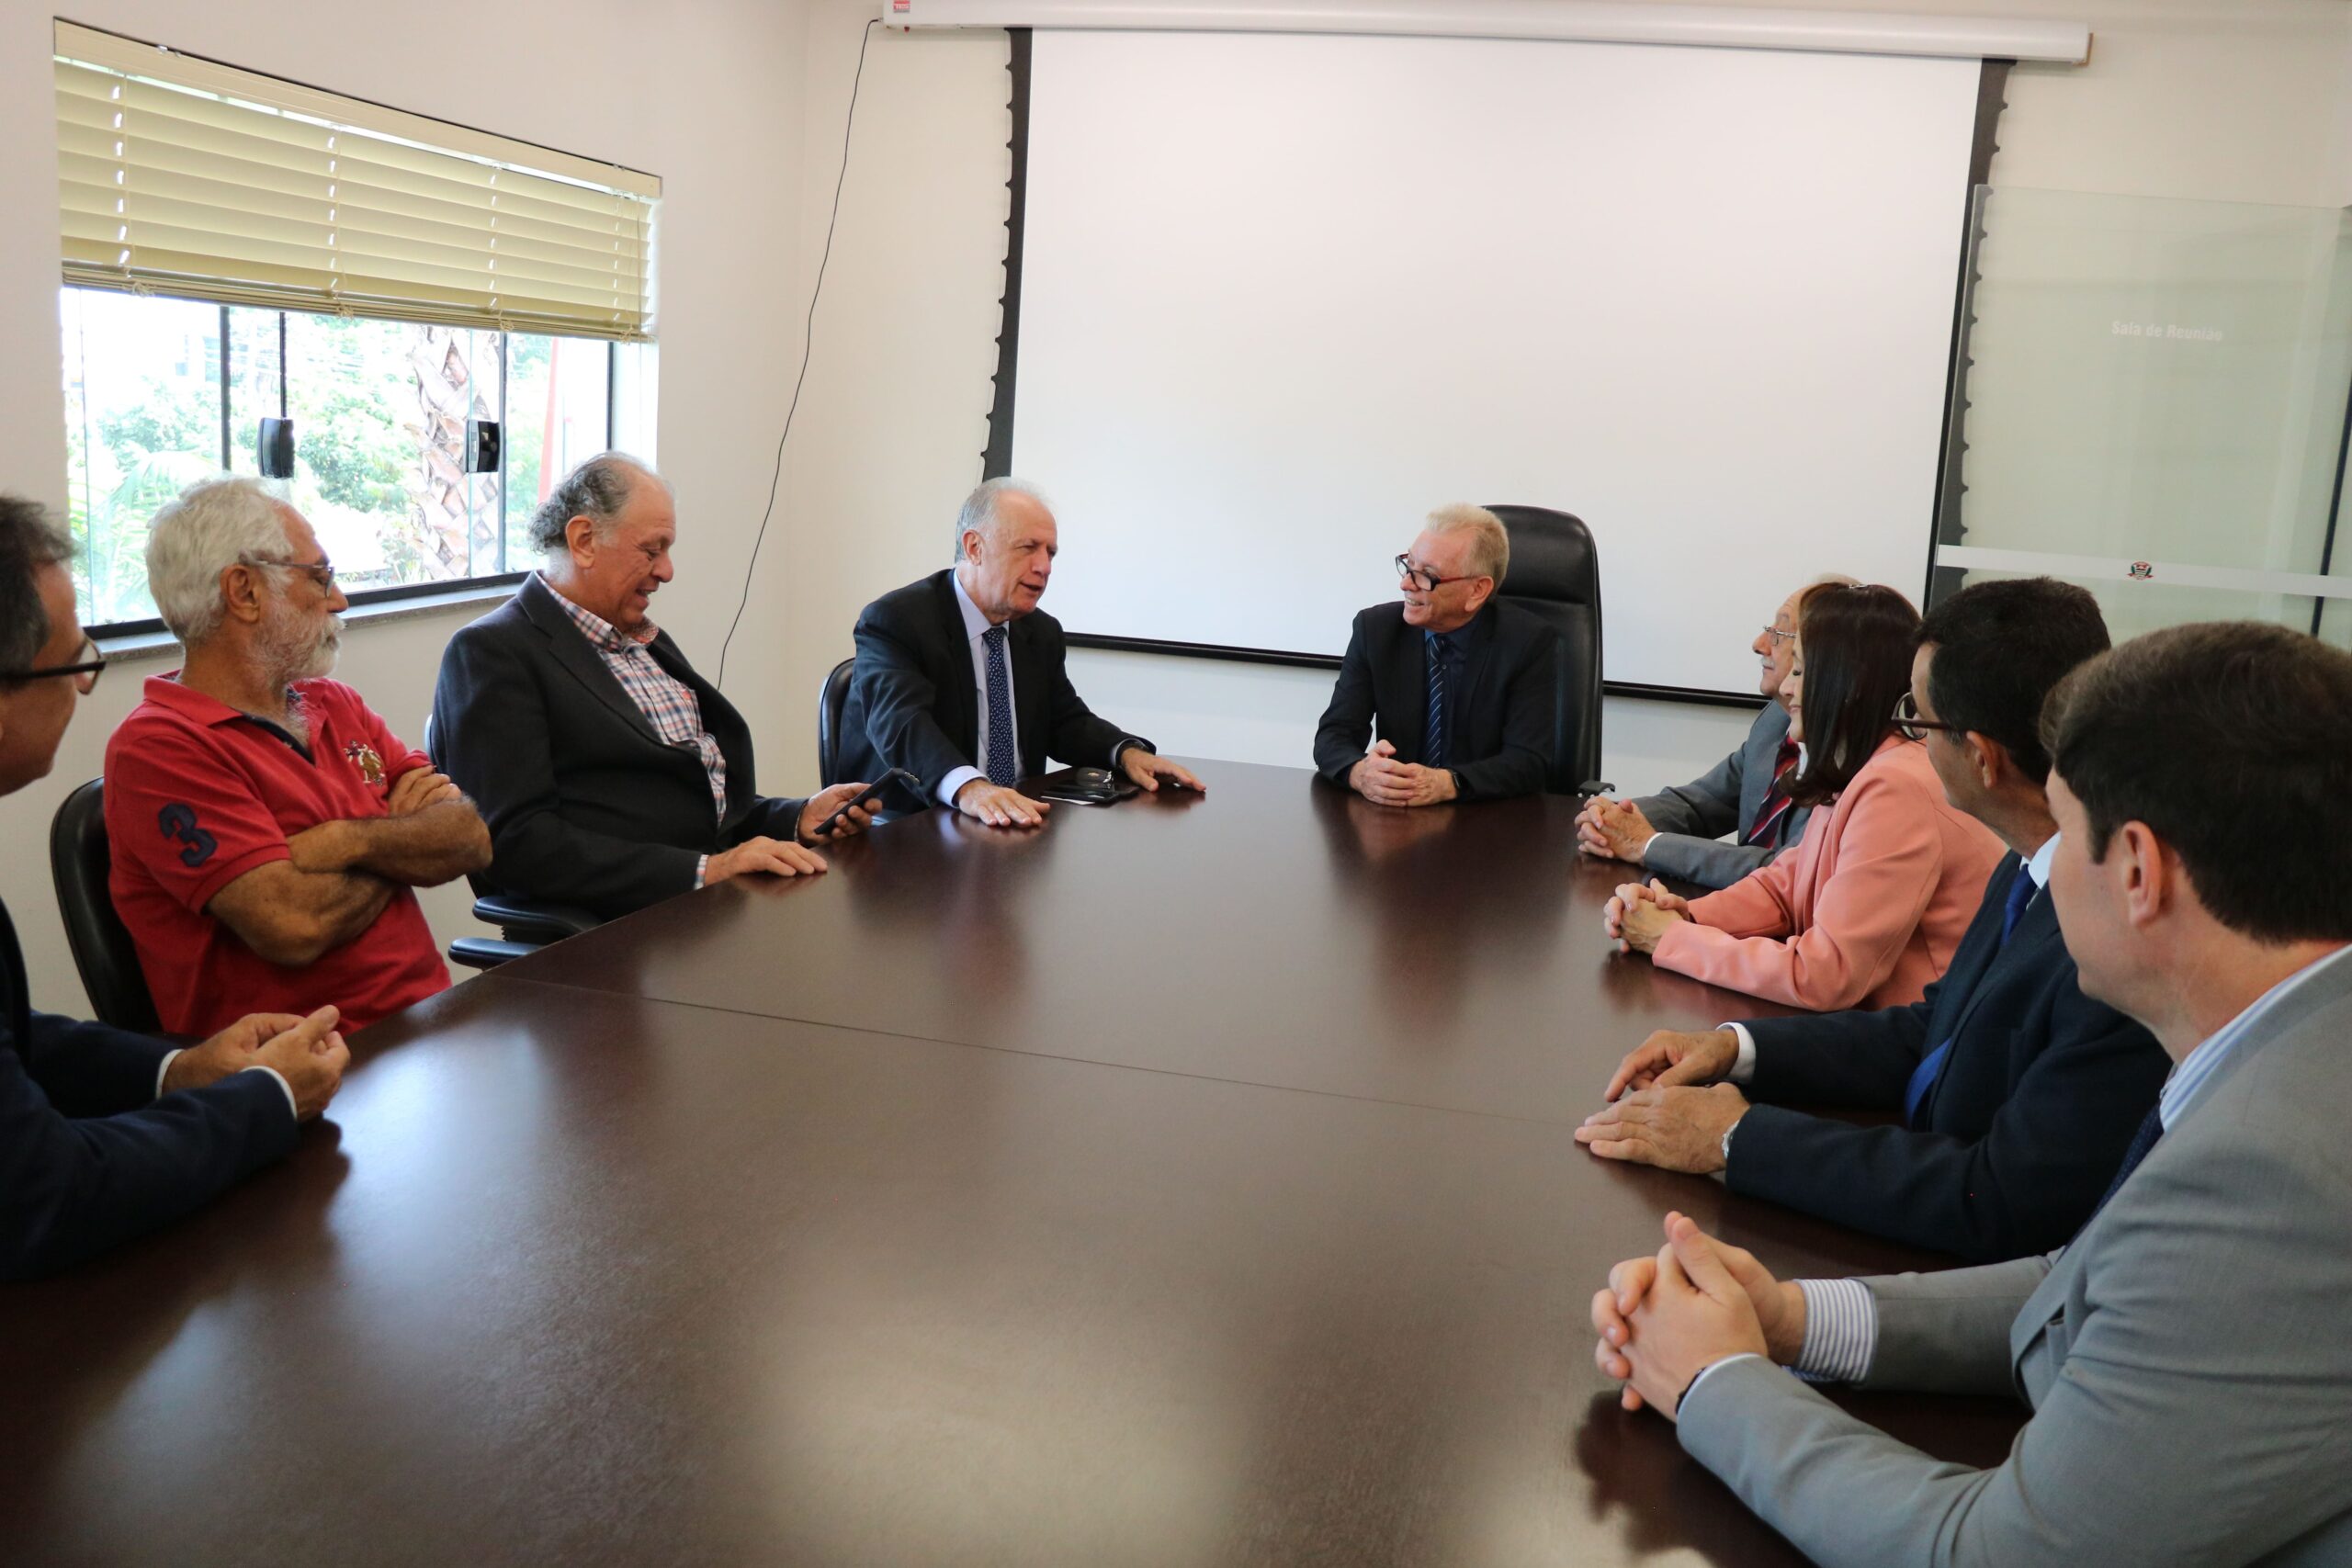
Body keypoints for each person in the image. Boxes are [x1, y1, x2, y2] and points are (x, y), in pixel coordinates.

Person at [1589, 621, 2352, 1567]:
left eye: (2066, 834)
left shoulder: (2273, 1172)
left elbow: (1992, 1554)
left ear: (2140, 873)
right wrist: (1792, 1319)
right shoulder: (2284, 1047)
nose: (2043, 863)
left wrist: (1712, 1379)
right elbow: (2085, 1280)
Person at [1576, 579, 2169, 1262]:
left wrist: (1738, 1137)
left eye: (1918, 719)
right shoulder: (2029, 866)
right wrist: (1736, 1049)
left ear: (1981, 755)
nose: (1909, 735)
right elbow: (1932, 1026)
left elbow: (1996, 1199)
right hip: (1915, 1160)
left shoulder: (2110, 943)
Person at [0, 494, 347, 1280]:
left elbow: (18, 1039)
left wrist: (175, 1069)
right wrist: (262, 1099)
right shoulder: (162, 746)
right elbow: (42, 1194)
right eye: (76, 662)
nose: (86, 687)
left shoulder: (330, 703)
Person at [105, 478, 489, 1036]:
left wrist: (347, 840)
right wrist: (399, 829)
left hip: (431, 1027)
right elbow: (294, 925)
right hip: (309, 1070)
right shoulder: (158, 748)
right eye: (320, 576)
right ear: (244, 591)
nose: (339, 599)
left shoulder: (334, 702)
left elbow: (470, 839)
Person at [432, 454, 876, 919]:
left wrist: (796, 817)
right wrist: (707, 870)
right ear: (584, 541)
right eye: (651, 550)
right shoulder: (493, 653)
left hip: (707, 908)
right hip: (622, 929)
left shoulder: (643, 640)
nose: (666, 571)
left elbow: (685, 794)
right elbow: (517, 844)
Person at [1603, 584, 2002, 1011]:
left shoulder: (1895, 788)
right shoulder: (1865, 768)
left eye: (1800, 672)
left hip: (1920, 1051)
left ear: (1844, 685)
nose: (1788, 692)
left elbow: (1825, 976)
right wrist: (1688, 915)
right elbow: (1786, 886)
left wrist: (1672, 937)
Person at [834, 478, 1204, 827]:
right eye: (1028, 548)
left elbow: (1065, 721)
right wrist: (970, 788)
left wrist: (1126, 753)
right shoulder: (897, 621)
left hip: (1019, 824)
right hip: (917, 828)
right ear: (974, 547)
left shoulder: (1040, 632)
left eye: (1050, 553)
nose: (1043, 567)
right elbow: (902, 725)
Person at [1577, 576, 1854, 886]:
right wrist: (1611, 817)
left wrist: (1647, 844)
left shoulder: (1854, 757)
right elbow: (1701, 803)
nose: (1758, 644)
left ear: (1825, 658)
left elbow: (1781, 870)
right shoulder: (1775, 722)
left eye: (1778, 634)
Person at [1311, 504, 1565, 806]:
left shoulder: (1527, 641)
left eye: (1427, 576)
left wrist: (1447, 783)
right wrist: (1361, 772)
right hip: (1396, 819)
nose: (1405, 584)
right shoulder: (1376, 631)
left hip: (1488, 820)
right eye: (1408, 565)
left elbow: (1528, 761)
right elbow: (1333, 735)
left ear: (1477, 591)